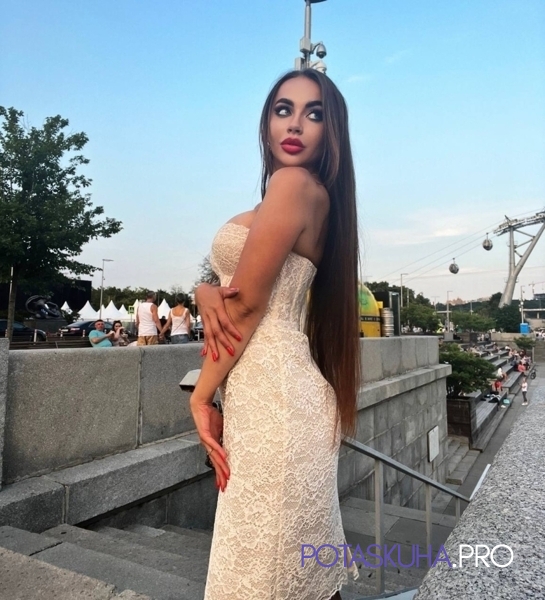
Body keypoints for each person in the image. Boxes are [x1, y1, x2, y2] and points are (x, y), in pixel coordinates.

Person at [190, 69, 360, 600]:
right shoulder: (296, 196)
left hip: (277, 405)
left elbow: (245, 308)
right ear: (266, 123)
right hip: (274, 399)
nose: (295, 124)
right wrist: (203, 289)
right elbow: (236, 288)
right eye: (283, 109)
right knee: (279, 572)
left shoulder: (294, 185)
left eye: (315, 114)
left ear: (332, 133)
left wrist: (200, 396)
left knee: (261, 575)